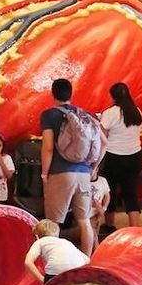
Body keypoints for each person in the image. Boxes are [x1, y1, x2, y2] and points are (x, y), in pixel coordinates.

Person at [39, 78, 105, 256]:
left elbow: (48, 147)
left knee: (53, 222)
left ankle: (55, 260)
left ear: (53, 94)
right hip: (83, 173)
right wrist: (93, 167)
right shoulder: (86, 115)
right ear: (71, 94)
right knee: (84, 220)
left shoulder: (49, 115)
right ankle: (86, 259)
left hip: (61, 173)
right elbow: (104, 143)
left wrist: (45, 173)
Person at [99, 82, 142, 230]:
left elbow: (103, 138)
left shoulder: (110, 113)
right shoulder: (136, 112)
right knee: (131, 192)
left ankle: (110, 225)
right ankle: (135, 228)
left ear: (113, 96)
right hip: (135, 157)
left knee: (110, 191)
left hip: (114, 158)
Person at [24, 220, 89, 284]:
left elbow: (28, 262)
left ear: (36, 236)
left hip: (55, 273)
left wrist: (42, 279)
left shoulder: (40, 241)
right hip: (77, 272)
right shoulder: (66, 242)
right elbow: (87, 260)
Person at [89, 170, 111, 249]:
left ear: (97, 169)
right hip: (87, 212)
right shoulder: (83, 181)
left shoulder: (102, 180)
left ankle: (92, 245)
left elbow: (107, 196)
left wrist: (103, 208)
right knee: (92, 230)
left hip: (98, 211)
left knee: (96, 229)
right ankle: (96, 247)